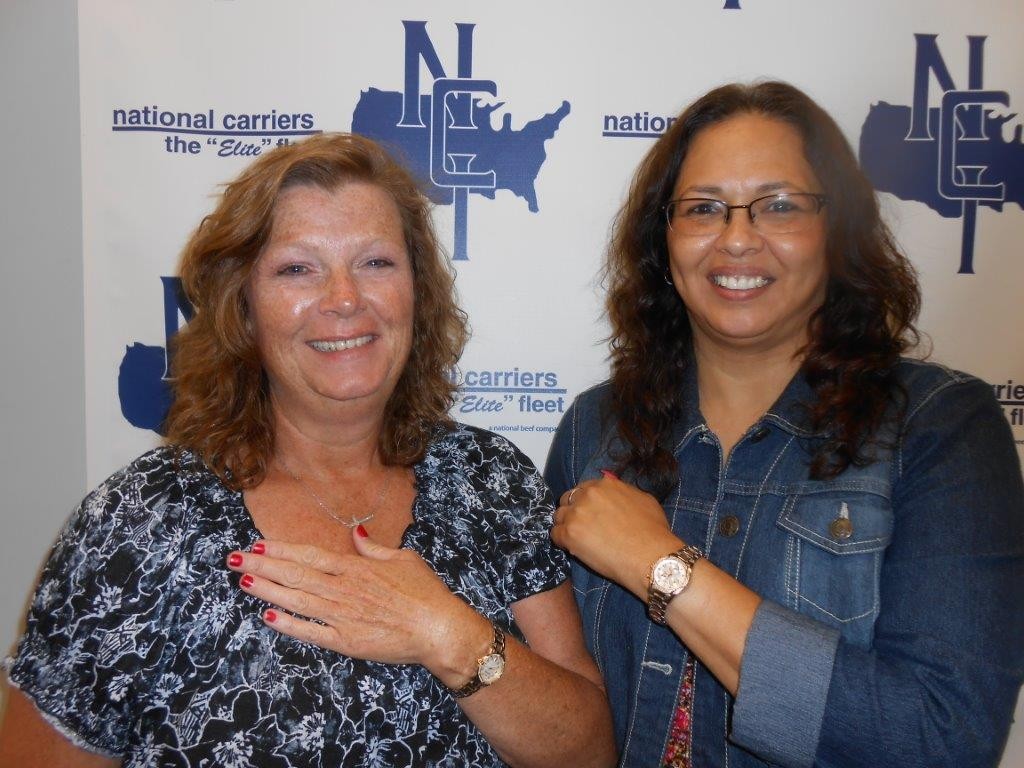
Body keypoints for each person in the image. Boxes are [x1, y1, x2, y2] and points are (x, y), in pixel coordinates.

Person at [0, 133, 616, 767]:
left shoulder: (490, 480)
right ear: (244, 305)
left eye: (377, 262)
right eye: (298, 268)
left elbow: (588, 752)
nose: (345, 299)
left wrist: (447, 634)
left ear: (418, 291)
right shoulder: (139, 524)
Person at [544, 81, 1024, 768]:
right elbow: (556, 702)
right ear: (665, 241)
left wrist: (659, 565)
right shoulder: (597, 428)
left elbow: (943, 740)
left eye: (779, 206)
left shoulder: (941, 426)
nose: (738, 240)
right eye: (704, 208)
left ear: (836, 230)